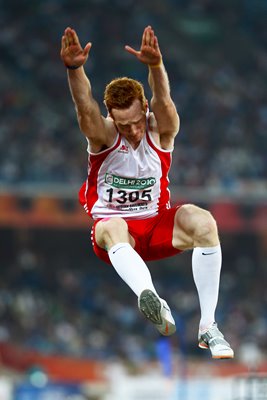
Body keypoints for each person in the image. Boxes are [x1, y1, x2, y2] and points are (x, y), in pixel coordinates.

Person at [60, 25, 234, 359]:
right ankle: (152, 299)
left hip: (155, 226)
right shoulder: (102, 136)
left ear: (144, 106)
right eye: (124, 125)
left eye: (137, 121)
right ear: (111, 116)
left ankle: (209, 326)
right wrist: (74, 69)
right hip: (116, 236)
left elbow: (164, 100)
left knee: (204, 221)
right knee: (111, 225)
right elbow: (84, 106)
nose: (134, 130)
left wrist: (155, 66)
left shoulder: (161, 128)